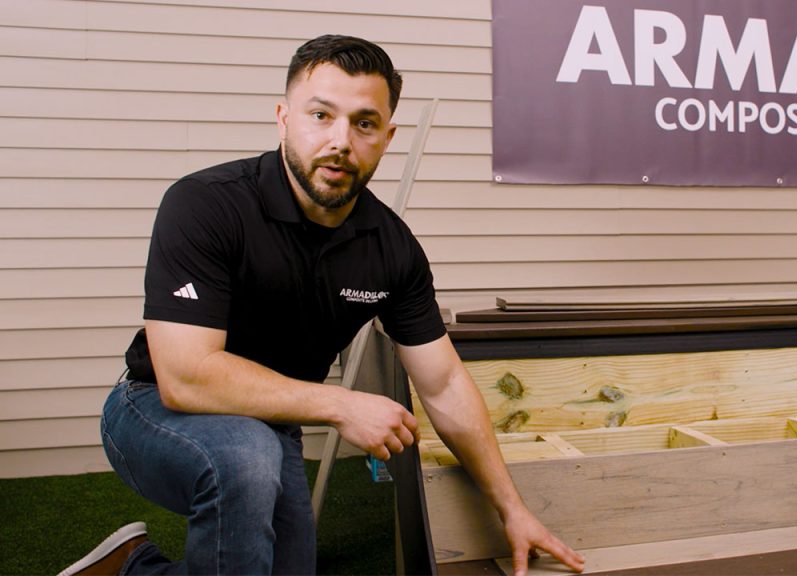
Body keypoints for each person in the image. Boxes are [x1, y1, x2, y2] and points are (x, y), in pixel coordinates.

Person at [60, 34, 585, 576]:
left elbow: (444, 384)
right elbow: (186, 377)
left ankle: (130, 567)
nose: (340, 140)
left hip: (272, 424)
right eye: (321, 115)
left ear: (386, 136)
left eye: (364, 122)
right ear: (284, 117)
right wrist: (342, 405)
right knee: (245, 458)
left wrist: (512, 508)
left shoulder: (392, 248)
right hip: (153, 410)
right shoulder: (205, 204)